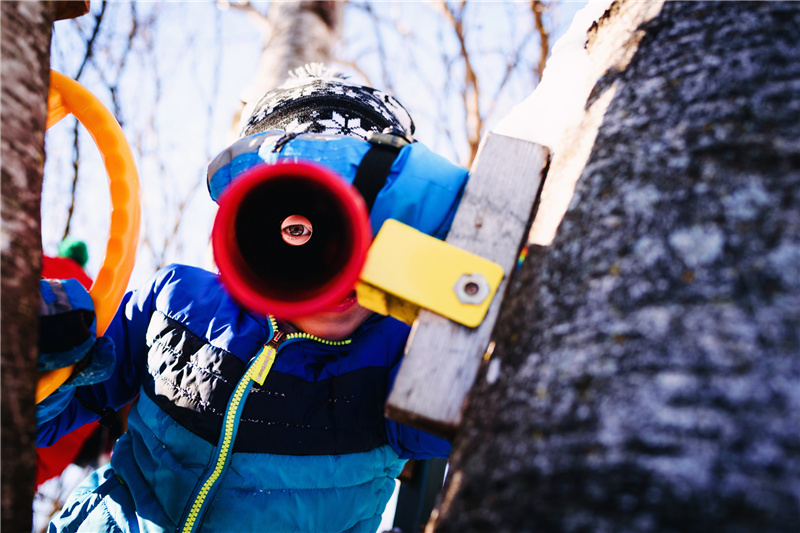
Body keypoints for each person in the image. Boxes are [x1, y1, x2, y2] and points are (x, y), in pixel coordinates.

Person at [37, 65, 469, 533]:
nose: (339, 267)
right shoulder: (176, 302)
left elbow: (495, 416)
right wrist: (41, 356)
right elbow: (34, 423)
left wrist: (446, 234)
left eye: (366, 231)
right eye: (299, 229)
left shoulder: (400, 356)